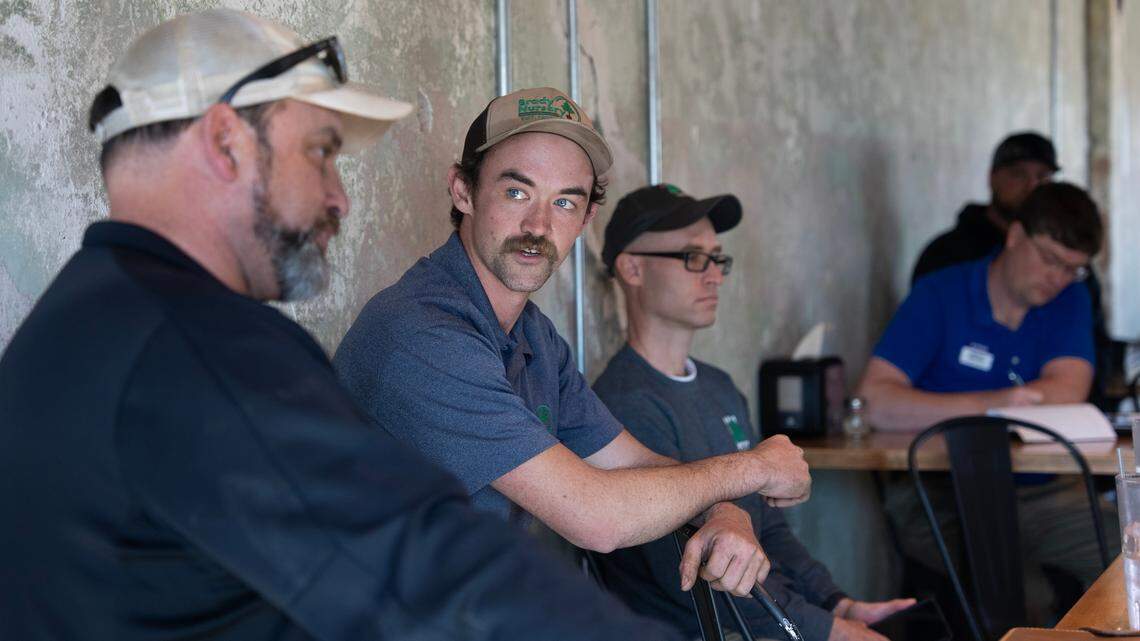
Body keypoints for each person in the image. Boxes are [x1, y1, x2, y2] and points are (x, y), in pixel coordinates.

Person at [0, 11, 685, 640]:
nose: (340, 196)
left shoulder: (84, 319)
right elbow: (427, 567)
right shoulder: (203, 349)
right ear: (224, 141)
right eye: (321, 152)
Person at [334, 87, 812, 600]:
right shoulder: (422, 332)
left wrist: (724, 508)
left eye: (564, 202)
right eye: (517, 192)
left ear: (584, 222)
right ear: (463, 191)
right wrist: (752, 470)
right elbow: (596, 517)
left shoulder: (533, 334)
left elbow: (632, 462)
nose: (538, 226)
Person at [591, 183, 915, 641]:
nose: (714, 276)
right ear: (632, 268)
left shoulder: (720, 386)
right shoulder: (623, 403)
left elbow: (770, 527)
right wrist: (830, 631)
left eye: (717, 258)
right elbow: (700, 578)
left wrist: (836, 602)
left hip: (773, 623)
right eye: (691, 258)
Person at [858, 181, 1116, 622]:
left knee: (1126, 561)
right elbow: (876, 399)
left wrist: (948, 407)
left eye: (1071, 268)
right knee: (1018, 596)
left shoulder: (1070, 299)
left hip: (1045, 489)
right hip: (941, 491)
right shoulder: (940, 294)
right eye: (1050, 259)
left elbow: (1066, 391)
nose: (1057, 278)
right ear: (1015, 235)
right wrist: (995, 404)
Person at [911, 131, 1114, 408]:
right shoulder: (946, 260)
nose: (1032, 184)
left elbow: (1078, 375)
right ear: (992, 177)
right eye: (1019, 174)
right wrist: (994, 404)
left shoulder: (1073, 288)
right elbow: (880, 395)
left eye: (1042, 176)